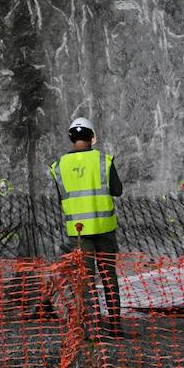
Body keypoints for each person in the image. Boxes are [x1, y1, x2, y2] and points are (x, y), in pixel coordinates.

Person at [49, 117, 124, 339]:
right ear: (92, 137)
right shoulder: (103, 160)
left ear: (71, 137)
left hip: (79, 234)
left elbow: (61, 197)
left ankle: (91, 330)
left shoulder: (59, 166)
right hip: (104, 229)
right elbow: (117, 190)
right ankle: (116, 328)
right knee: (109, 276)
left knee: (85, 280)